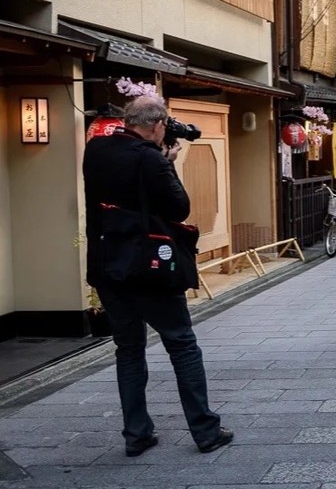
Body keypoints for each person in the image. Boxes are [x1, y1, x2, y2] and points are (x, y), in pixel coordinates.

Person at [83, 95, 233, 457]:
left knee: (128, 349)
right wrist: (168, 165)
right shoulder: (150, 159)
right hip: (150, 266)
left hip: (108, 264)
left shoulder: (96, 150)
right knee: (181, 344)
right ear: (156, 125)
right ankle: (205, 430)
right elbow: (179, 207)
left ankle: (136, 434)